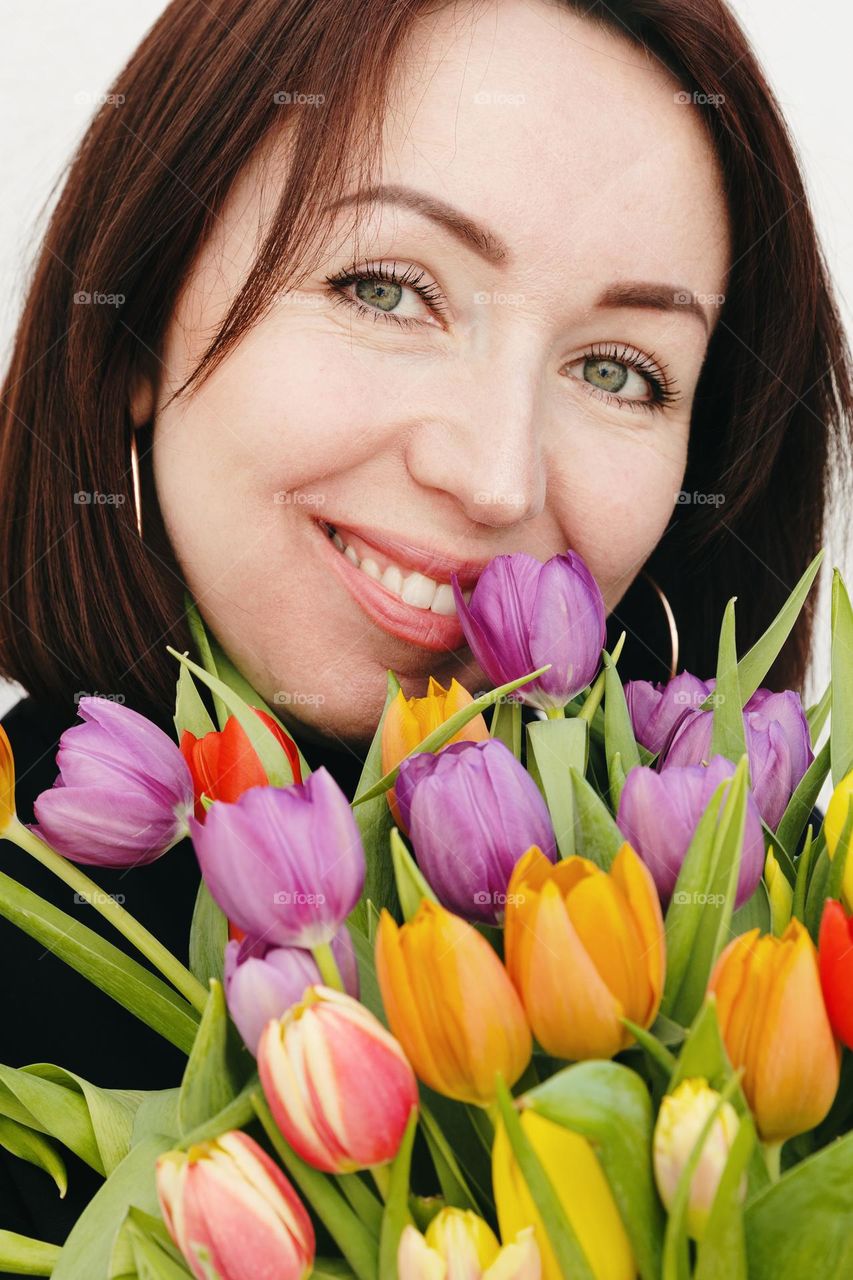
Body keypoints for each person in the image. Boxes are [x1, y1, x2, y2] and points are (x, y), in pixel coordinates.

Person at [0, 0, 848, 1252]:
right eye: (386, 288)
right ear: (137, 317)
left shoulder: (772, 960)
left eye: (618, 368)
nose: (495, 476)